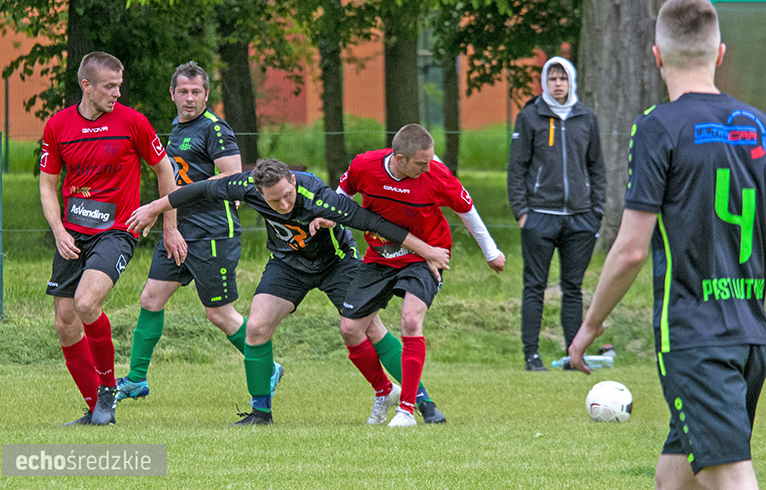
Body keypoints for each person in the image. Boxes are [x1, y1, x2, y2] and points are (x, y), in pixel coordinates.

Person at [569, 0, 766, 490]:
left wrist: (590, 324)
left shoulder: (658, 128)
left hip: (697, 336)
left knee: (731, 477)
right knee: (674, 477)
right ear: (720, 54)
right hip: (753, 331)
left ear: (655, 57)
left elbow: (632, 248)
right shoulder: (759, 126)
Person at [126, 158, 451, 425]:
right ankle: (260, 413)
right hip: (288, 264)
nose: (283, 204)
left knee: (368, 328)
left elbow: (373, 222)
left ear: (293, 183)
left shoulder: (319, 196)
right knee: (256, 327)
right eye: (273, 200)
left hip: (336, 264)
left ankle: (420, 399)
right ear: (258, 192)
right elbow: (200, 189)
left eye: (287, 196)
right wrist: (155, 207)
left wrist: (427, 251)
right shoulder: (245, 185)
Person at [114, 62, 287, 404]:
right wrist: (171, 224)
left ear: (207, 94)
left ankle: (268, 368)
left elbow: (231, 180)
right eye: (183, 92)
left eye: (196, 92)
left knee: (218, 314)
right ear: (172, 94)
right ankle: (135, 381)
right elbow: (174, 178)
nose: (189, 99)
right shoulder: (176, 127)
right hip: (179, 231)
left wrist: (164, 204)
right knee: (150, 299)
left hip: (212, 233)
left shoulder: (215, 130)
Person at [39, 51, 181, 426]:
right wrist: (57, 231)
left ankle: (107, 389)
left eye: (119, 85)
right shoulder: (57, 126)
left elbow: (165, 170)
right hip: (72, 233)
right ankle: (94, 410)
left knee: (86, 304)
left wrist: (169, 225)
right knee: (65, 321)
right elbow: (47, 183)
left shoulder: (133, 122)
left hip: (117, 231)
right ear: (86, 86)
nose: (117, 92)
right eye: (109, 86)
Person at [338, 123, 506, 427]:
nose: (429, 166)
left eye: (431, 160)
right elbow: (342, 194)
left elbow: (467, 210)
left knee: (411, 319)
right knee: (350, 328)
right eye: (421, 162)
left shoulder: (436, 175)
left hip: (428, 255)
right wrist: (329, 218)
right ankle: (384, 392)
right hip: (380, 255)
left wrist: (491, 252)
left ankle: (406, 410)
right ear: (399, 158)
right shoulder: (364, 165)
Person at [507, 56, 606, 371]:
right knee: (534, 286)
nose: (558, 84)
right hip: (539, 216)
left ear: (571, 81)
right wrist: (523, 213)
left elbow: (597, 168)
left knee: (572, 288)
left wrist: (596, 212)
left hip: (580, 219)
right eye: (552, 79)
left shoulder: (586, 118)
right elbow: (516, 169)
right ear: (545, 83)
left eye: (563, 78)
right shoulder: (530, 117)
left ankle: (572, 355)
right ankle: (531, 356)